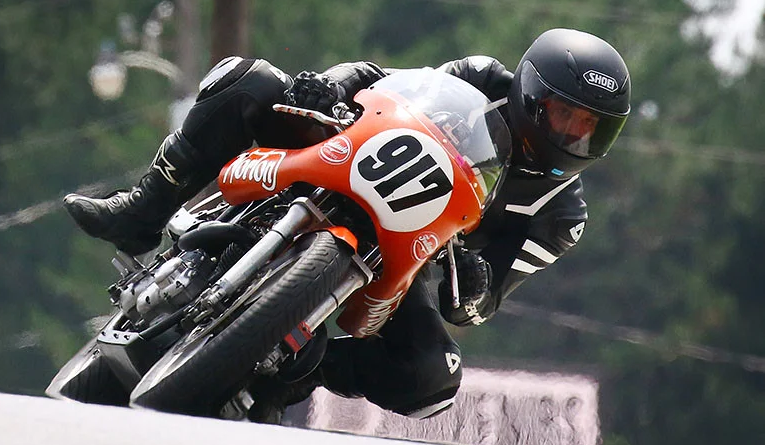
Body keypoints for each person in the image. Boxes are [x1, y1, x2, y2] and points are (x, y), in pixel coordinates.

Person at [64, 28, 631, 422]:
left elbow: (477, 306)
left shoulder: (561, 217)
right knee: (251, 79)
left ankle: (294, 372)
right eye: (565, 115)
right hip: (353, 155)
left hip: (410, 262)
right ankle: (141, 211)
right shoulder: (483, 78)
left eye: (590, 128)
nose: (573, 135)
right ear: (532, 93)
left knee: (436, 377)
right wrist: (331, 85)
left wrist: (477, 284)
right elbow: (384, 82)